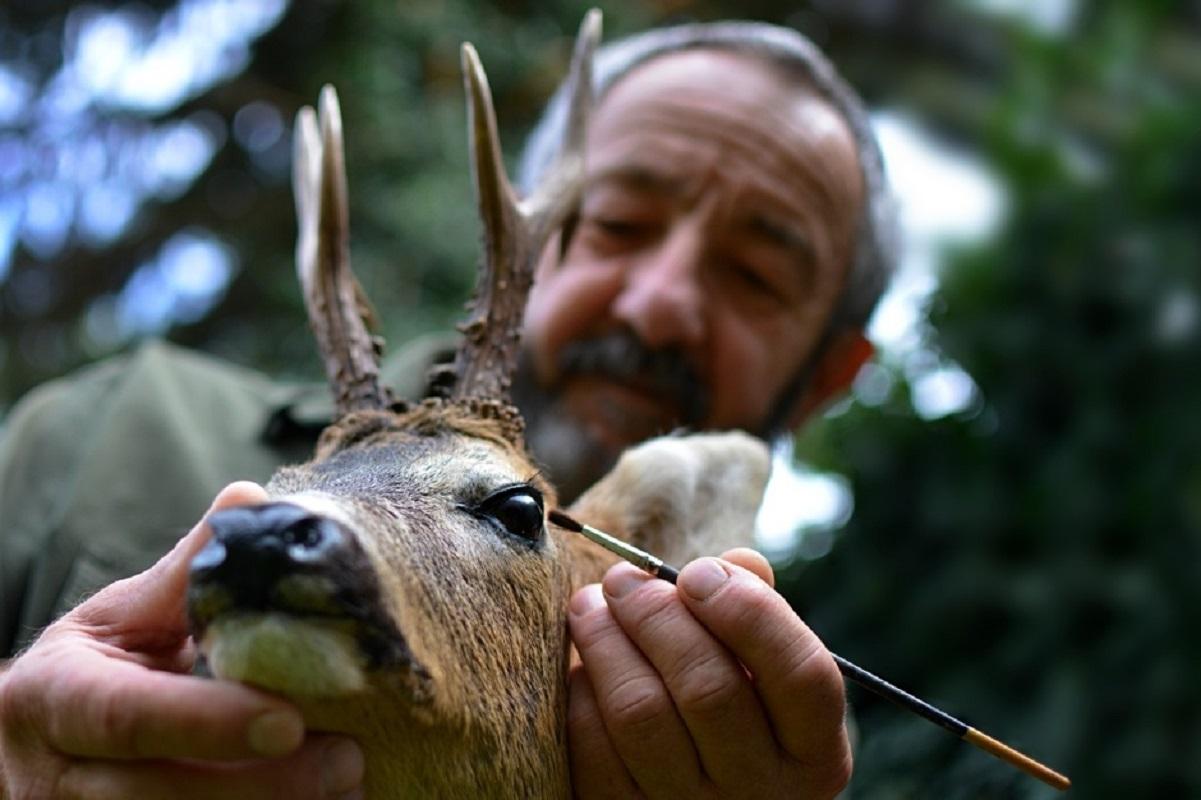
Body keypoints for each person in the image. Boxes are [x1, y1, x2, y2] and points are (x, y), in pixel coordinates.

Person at [0, 19, 895, 800]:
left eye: (754, 277)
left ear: (829, 372)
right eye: (618, 222)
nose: (659, 302)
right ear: (531, 241)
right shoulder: (117, 427)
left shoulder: (784, 744)